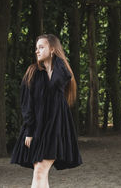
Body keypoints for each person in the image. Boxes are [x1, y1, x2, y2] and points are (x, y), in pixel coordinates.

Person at [10, 34, 83, 188]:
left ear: (52, 49)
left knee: (40, 171)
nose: (37, 51)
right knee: (39, 172)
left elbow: (63, 77)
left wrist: (56, 60)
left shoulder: (60, 72)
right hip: (37, 128)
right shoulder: (32, 73)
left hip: (56, 128)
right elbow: (27, 104)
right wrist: (29, 130)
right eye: (36, 48)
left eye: (41, 47)